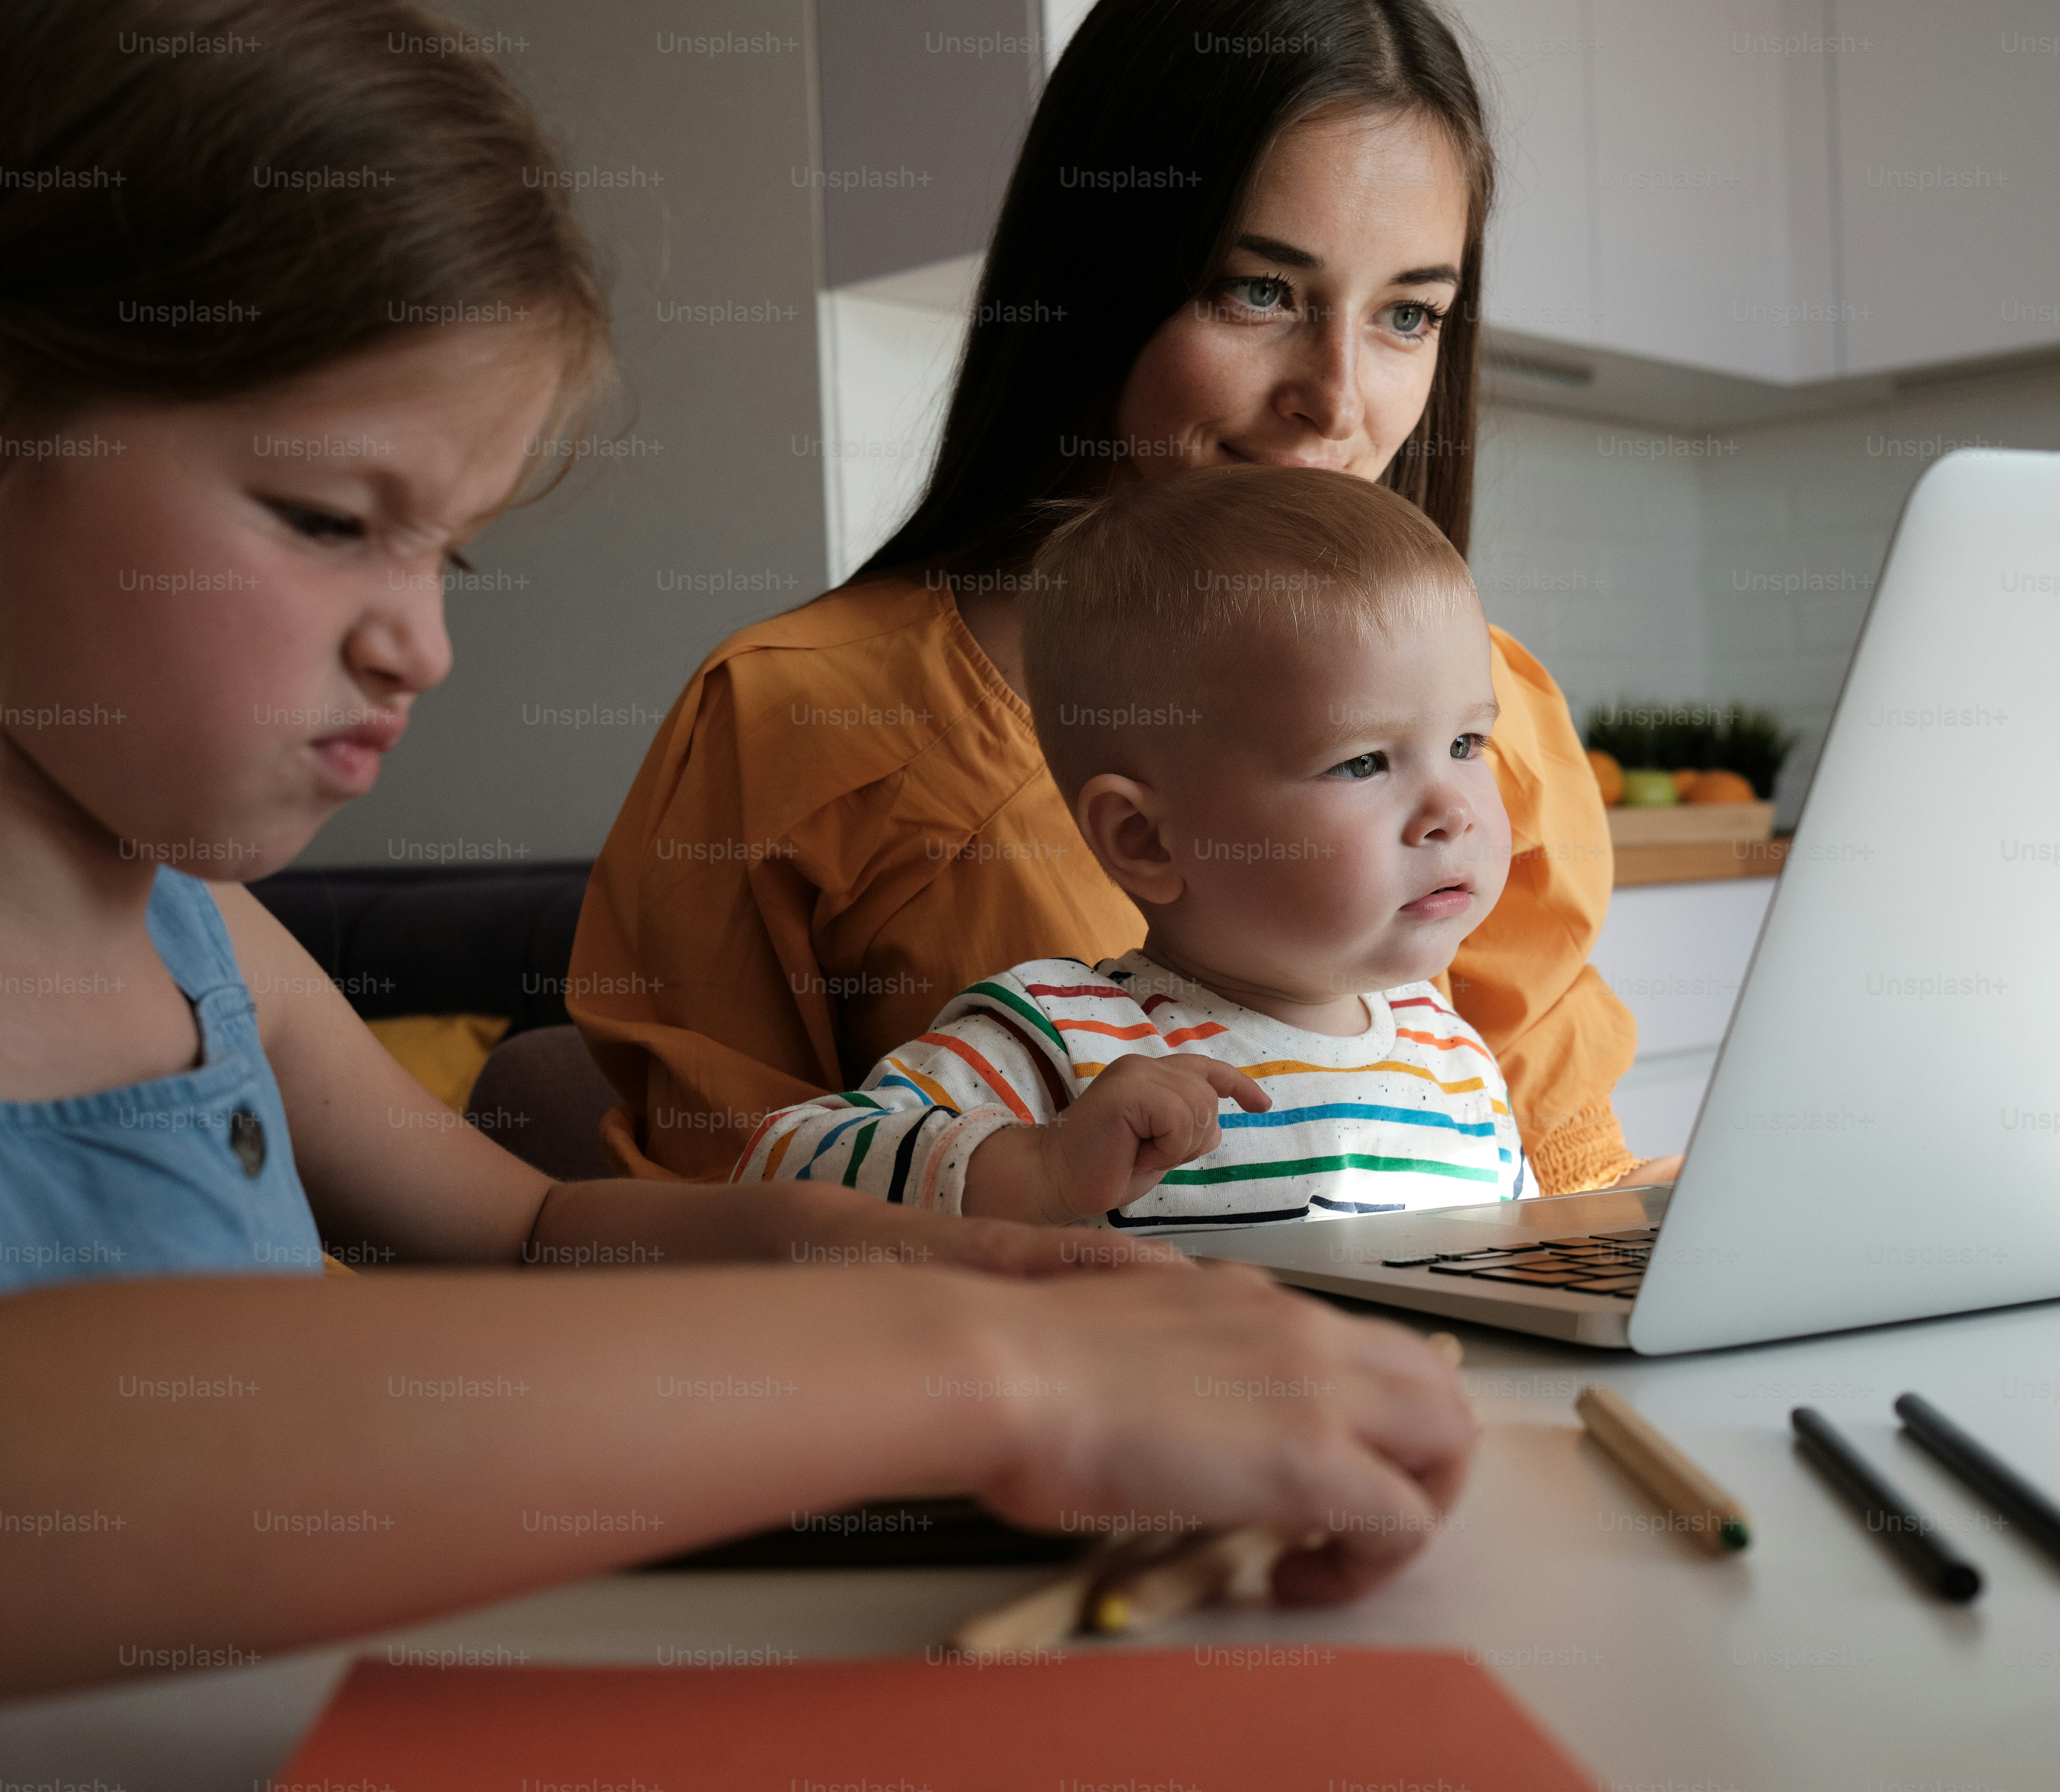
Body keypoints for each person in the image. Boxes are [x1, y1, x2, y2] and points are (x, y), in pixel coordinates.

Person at [0, 5, 1474, 1789]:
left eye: (450, 554)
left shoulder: (214, 951)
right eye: (326, 520)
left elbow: (542, 1233)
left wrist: (974, 1264)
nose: (422, 647)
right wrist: (973, 1379)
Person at [572, 0, 1677, 1200]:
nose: (1338, 398)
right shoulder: (790, 719)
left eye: (1407, 314)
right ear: (1095, 276)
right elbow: (719, 1234)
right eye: (1259, 291)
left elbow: (1564, 1182)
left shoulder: (1499, 713)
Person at [737, 464, 1539, 1229]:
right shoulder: (1061, 1040)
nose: (1452, 811)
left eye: (1468, 743)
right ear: (1145, 840)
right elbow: (775, 1173)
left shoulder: (1457, 1058)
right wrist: (1039, 1170)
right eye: (1362, 762)